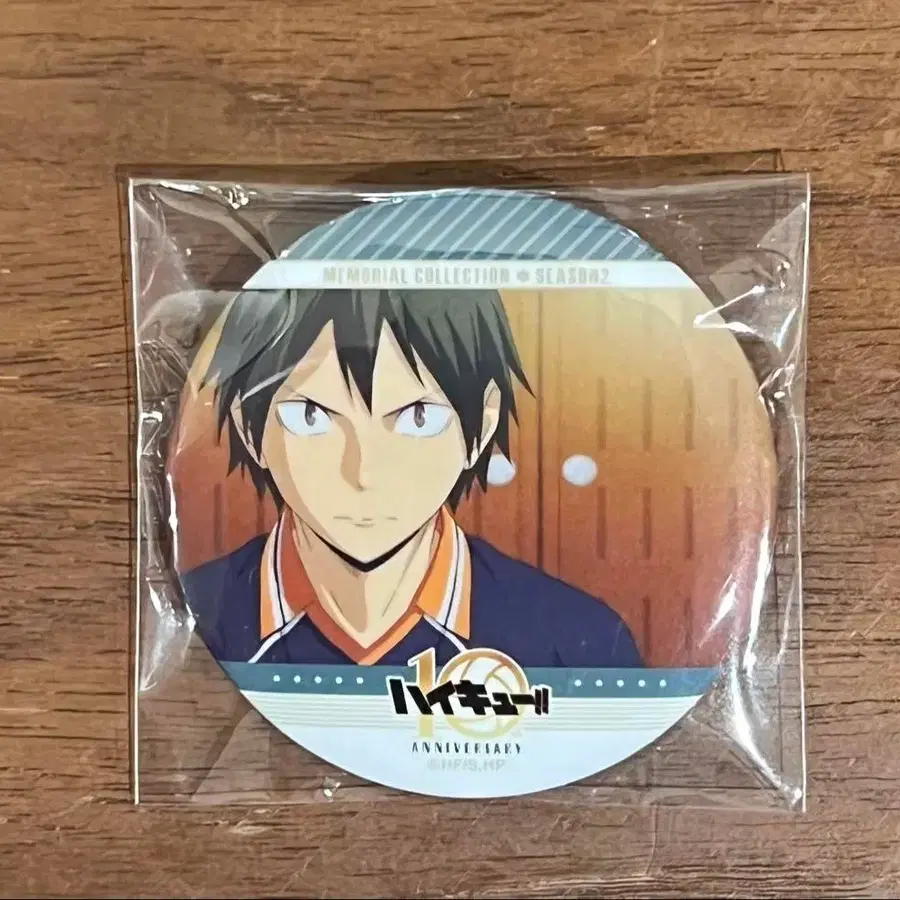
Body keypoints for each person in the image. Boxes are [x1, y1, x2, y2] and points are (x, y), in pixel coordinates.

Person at [180, 286, 643, 668]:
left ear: (482, 425)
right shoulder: (191, 623)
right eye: (311, 416)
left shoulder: (580, 644)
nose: (363, 471)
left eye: (418, 417)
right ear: (248, 426)